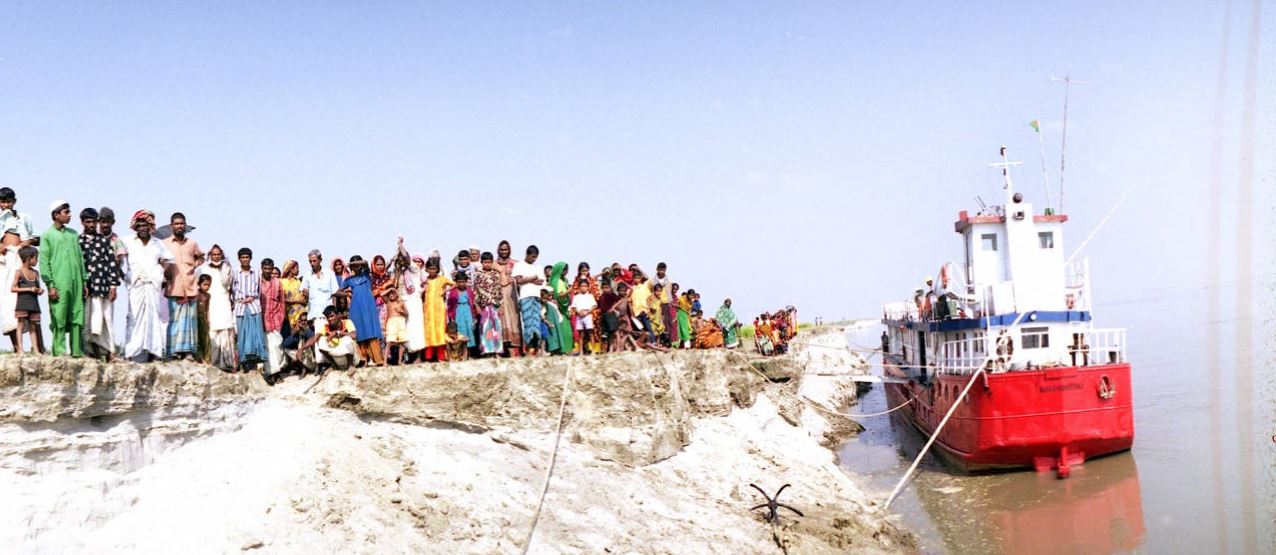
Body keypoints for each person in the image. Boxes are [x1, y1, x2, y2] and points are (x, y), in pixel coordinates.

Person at [121, 211, 175, 362]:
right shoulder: (127, 241)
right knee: (134, 317)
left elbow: (169, 260)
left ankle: (154, 351)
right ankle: (131, 352)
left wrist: (163, 275)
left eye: (146, 225)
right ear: (135, 227)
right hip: (136, 284)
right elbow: (115, 255)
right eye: (140, 226)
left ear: (150, 227)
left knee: (153, 317)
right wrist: (123, 276)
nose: (143, 228)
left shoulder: (158, 244)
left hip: (153, 284)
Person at [39, 200, 85, 357]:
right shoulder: (47, 235)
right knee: (59, 315)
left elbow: (80, 258)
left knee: (77, 314)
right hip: (59, 282)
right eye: (66, 212)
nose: (69, 215)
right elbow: (44, 262)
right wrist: (50, 284)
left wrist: (84, 280)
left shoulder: (73, 234)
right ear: (56, 215)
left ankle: (77, 351)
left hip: (77, 281)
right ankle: (59, 352)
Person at [78, 208, 120, 360]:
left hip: (103, 287)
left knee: (106, 320)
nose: (92, 225)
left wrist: (113, 285)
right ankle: (90, 352)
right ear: (82, 222)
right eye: (88, 222)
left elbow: (112, 264)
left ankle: (110, 352)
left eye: (94, 222)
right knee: (87, 321)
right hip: (87, 289)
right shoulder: (78, 241)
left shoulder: (104, 241)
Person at [162, 213, 204, 360]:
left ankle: (188, 352)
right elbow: (160, 261)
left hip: (190, 286)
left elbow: (201, 257)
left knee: (190, 321)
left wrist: (193, 266)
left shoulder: (192, 243)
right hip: (174, 287)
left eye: (181, 223)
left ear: (185, 225)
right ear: (171, 225)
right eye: (176, 223)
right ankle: (172, 352)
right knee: (174, 320)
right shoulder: (165, 244)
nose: (179, 226)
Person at [0, 187, 37, 350]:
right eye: (3, 202)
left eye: (9, 201)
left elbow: (35, 238)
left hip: (21, 260)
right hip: (5, 261)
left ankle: (37, 347)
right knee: (8, 303)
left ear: (14, 202)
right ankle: (17, 347)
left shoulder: (23, 218)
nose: (6, 205)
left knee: (27, 302)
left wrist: (26, 242)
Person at [344, 256, 385, 367]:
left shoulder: (366, 274)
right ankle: (363, 360)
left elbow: (366, 263)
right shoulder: (349, 280)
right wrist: (347, 294)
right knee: (359, 333)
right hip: (356, 308)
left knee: (371, 331)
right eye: (353, 265)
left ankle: (378, 359)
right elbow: (338, 290)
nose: (356, 267)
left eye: (357, 265)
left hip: (368, 307)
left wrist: (352, 263)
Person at [512, 245, 545, 355]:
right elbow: (519, 280)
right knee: (527, 323)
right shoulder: (519, 265)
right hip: (525, 297)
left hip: (536, 297)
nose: (534, 259)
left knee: (536, 322)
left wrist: (527, 279)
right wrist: (532, 278)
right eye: (532, 256)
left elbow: (540, 281)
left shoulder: (538, 267)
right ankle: (528, 349)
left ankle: (536, 348)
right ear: (527, 254)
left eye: (536, 257)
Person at [304, 305, 360, 370]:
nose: (330, 319)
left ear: (338, 315)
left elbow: (354, 335)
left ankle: (350, 366)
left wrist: (338, 333)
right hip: (338, 358)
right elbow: (315, 338)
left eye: (332, 316)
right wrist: (302, 348)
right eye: (328, 317)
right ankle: (334, 365)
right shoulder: (326, 327)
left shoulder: (347, 322)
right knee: (321, 341)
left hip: (352, 359)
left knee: (347, 339)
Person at [11, 246, 44, 354]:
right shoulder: (19, 272)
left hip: (33, 304)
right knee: (20, 325)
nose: (37, 260)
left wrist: (39, 291)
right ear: (28, 259)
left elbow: (37, 287)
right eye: (35, 258)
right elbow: (13, 288)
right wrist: (29, 289)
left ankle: (35, 349)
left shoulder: (36, 273)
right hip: (22, 303)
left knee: (33, 327)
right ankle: (20, 349)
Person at [421, 259, 455, 362]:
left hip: (439, 309)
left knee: (440, 330)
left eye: (434, 269)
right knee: (429, 331)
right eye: (430, 269)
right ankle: (429, 357)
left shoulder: (442, 279)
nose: (432, 271)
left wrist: (445, 291)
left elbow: (454, 284)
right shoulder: (425, 280)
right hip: (428, 309)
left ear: (437, 269)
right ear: (426, 269)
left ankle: (441, 356)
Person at [472, 252, 505, 357]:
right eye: (485, 262)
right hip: (484, 306)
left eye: (489, 262)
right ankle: (487, 350)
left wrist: (502, 306)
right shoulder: (478, 274)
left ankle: (496, 350)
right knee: (485, 327)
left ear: (492, 262)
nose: (487, 264)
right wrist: (476, 305)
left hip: (495, 305)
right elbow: (475, 291)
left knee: (496, 327)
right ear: (481, 262)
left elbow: (499, 291)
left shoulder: (495, 274)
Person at [301, 250, 340, 333]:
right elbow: (304, 294)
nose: (312, 263)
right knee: (317, 342)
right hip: (314, 315)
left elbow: (334, 293)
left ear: (320, 260)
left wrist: (334, 312)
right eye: (310, 261)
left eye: (314, 261)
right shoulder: (307, 275)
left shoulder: (329, 273)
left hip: (327, 315)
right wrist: (305, 294)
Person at [495, 240, 523, 356]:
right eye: (502, 250)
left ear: (509, 250)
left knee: (513, 319)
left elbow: (521, 279)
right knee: (500, 319)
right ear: (498, 251)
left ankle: (514, 348)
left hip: (512, 295)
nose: (504, 252)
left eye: (506, 249)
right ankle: (502, 348)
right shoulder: (493, 264)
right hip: (499, 295)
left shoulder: (516, 264)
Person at [260, 258, 285, 376]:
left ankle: (278, 370)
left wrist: (281, 316)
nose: (267, 271)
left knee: (277, 346)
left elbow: (282, 301)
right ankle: (272, 373)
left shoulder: (277, 282)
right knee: (267, 347)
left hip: (275, 318)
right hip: (262, 319)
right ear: (262, 268)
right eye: (265, 268)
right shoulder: (257, 282)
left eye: (269, 269)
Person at [446, 272, 479, 355]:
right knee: (460, 330)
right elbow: (450, 305)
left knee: (469, 330)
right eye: (459, 282)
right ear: (456, 282)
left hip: (468, 312)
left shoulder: (469, 291)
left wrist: (474, 316)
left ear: (466, 281)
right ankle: (460, 353)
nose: (461, 283)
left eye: (463, 281)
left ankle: (468, 353)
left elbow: (472, 303)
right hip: (458, 312)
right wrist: (451, 317)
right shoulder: (453, 292)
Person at [547, 262, 574, 355]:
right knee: (564, 330)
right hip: (559, 309)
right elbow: (557, 296)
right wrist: (568, 292)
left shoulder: (562, 280)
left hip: (564, 308)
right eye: (564, 270)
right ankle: (562, 349)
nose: (566, 272)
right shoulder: (556, 281)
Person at [569, 279, 597, 355]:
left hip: (588, 314)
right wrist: (578, 312)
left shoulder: (590, 296)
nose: (583, 287)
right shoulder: (576, 297)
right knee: (581, 334)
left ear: (588, 287)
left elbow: (594, 305)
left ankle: (593, 350)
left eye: (585, 286)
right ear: (579, 287)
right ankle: (581, 351)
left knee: (590, 332)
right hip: (579, 315)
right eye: (582, 286)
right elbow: (573, 307)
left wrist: (588, 312)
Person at [279, 260, 307, 334]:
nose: (298, 270)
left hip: (302, 311)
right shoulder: (281, 282)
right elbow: (281, 299)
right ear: (291, 269)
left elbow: (303, 297)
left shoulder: (298, 281)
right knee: (294, 333)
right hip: (289, 312)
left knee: (304, 332)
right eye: (297, 268)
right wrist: (297, 301)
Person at [383, 288, 409, 365]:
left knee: (402, 342)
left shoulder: (401, 303)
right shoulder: (388, 302)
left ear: (396, 294)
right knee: (389, 341)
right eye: (389, 294)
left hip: (401, 321)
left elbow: (407, 313)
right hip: (391, 322)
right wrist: (391, 289)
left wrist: (401, 311)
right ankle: (385, 362)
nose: (391, 295)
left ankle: (400, 361)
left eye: (392, 293)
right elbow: (382, 294)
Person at [196, 274, 212, 363]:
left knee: (205, 338)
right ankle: (199, 358)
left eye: (208, 285)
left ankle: (207, 358)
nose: (207, 287)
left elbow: (207, 308)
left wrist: (208, 320)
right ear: (199, 284)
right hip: (195, 318)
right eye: (204, 284)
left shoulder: (208, 296)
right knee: (197, 338)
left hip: (203, 318)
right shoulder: (196, 294)